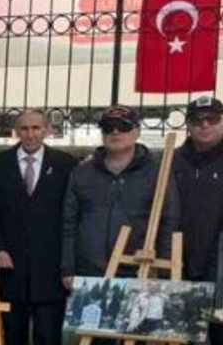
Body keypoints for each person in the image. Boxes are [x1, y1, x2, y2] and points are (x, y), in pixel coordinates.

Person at [0, 109, 77, 345]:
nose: (30, 134)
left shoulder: (66, 164)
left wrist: (69, 264)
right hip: (12, 267)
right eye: (24, 128)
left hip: (51, 271)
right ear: (16, 131)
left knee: (48, 336)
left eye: (36, 128)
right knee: (13, 335)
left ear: (47, 130)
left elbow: (72, 215)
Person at [61, 106, 179, 285]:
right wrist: (67, 269)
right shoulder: (82, 173)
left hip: (138, 271)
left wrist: (163, 272)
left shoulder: (158, 173)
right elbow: (68, 223)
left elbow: (169, 222)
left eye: (123, 126)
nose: (115, 132)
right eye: (108, 127)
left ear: (137, 132)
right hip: (89, 272)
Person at [172, 96, 223, 345]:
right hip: (180, 261)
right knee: (183, 333)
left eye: (211, 119)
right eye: (197, 120)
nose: (204, 125)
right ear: (188, 126)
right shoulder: (172, 161)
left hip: (220, 262)